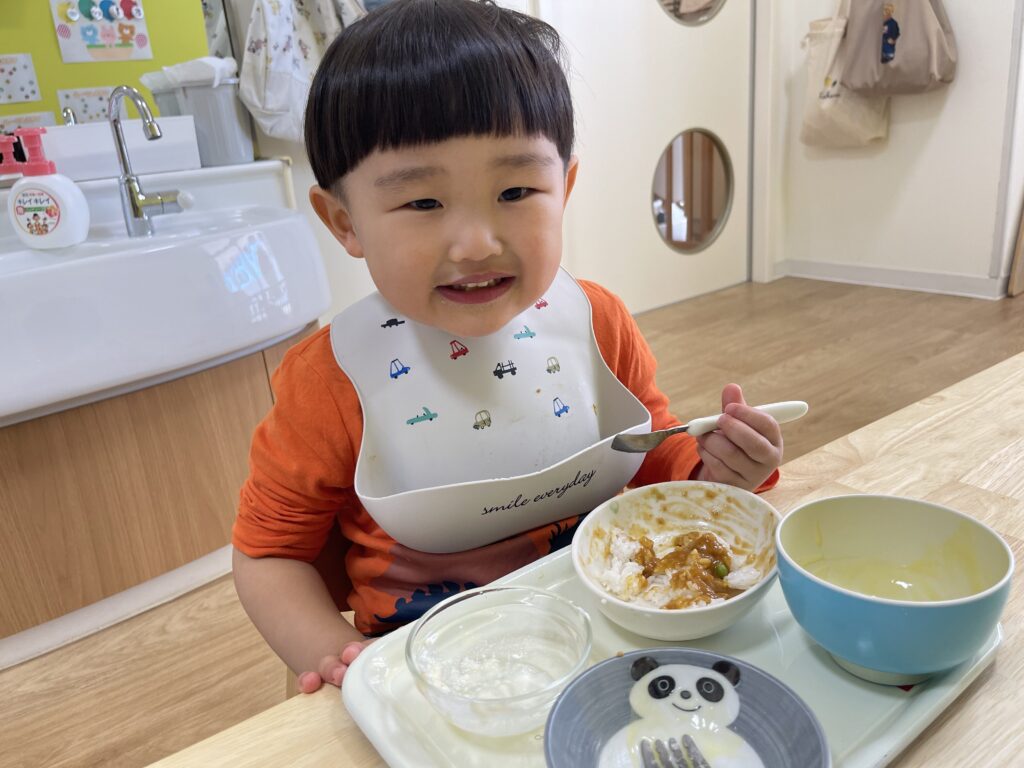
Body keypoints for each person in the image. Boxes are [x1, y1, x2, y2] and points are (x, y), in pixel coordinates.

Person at [232, 0, 784, 696]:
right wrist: (339, 658)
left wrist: (717, 472)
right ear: (345, 222)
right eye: (423, 203)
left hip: (607, 630)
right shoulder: (331, 380)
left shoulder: (597, 322)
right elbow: (269, 555)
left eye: (516, 190)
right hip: (423, 674)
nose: (476, 244)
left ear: (565, 188)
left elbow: (650, 460)